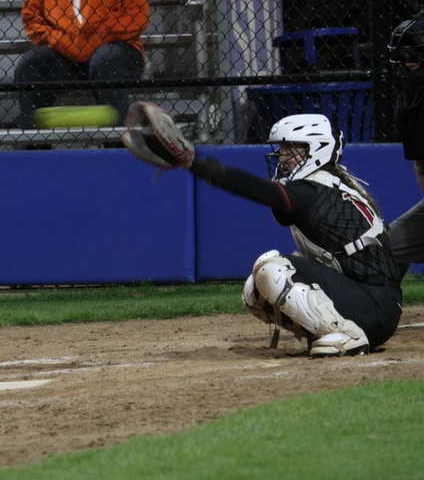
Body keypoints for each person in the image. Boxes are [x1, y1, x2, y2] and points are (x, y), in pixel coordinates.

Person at [124, 113, 402, 357]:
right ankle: (333, 329)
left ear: (317, 150)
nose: (282, 157)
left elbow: (257, 190)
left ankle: (346, 334)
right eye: (281, 149)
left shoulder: (313, 190)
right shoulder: (329, 184)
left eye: (291, 149)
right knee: (255, 291)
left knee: (274, 269)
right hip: (374, 303)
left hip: (375, 307)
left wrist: (194, 163)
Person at [14, 0, 150, 130]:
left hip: (115, 51)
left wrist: (98, 36)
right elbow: (31, 16)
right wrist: (59, 40)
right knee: (31, 64)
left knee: (106, 60)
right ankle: (35, 149)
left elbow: (137, 16)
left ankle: (117, 146)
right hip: (65, 55)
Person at [386, 17, 424, 280]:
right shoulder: (410, 104)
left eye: (413, 54)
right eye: (402, 56)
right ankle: (381, 307)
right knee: (385, 248)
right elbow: (421, 164)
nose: (407, 62)